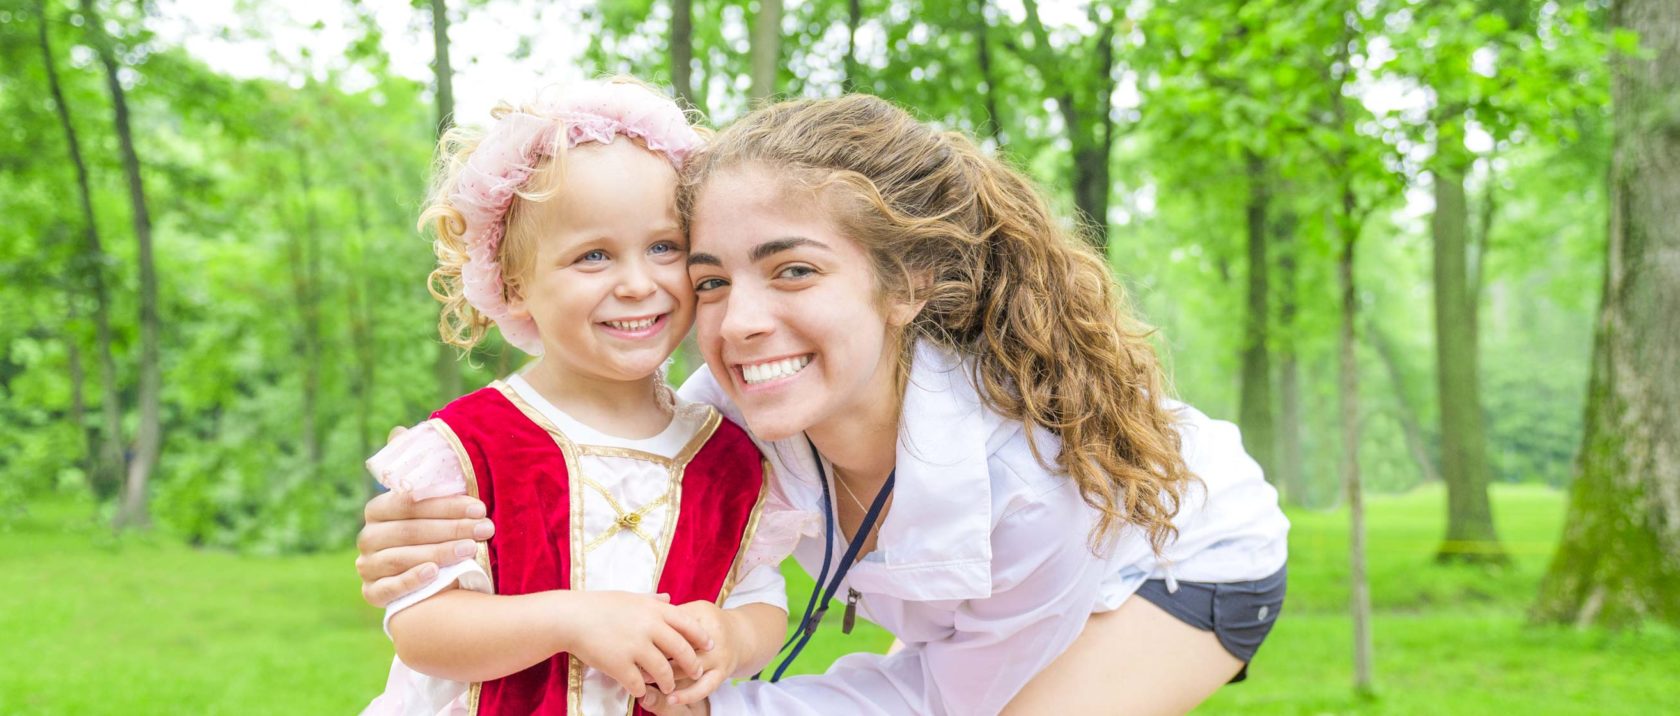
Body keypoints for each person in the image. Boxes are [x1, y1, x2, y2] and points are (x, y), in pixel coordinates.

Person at [358, 93, 1289, 716]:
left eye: (794, 270)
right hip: (987, 618)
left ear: (908, 281)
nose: (743, 324)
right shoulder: (717, 412)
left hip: (1179, 559)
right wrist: (416, 537)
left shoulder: (1022, 478)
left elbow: (951, 696)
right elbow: (593, 482)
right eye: (715, 278)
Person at [359, 79, 801, 716]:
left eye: (663, 248)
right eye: (594, 255)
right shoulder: (467, 447)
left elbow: (760, 600)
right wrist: (571, 619)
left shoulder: (731, 456)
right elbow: (423, 630)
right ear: (513, 285)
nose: (636, 283)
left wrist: (730, 640)